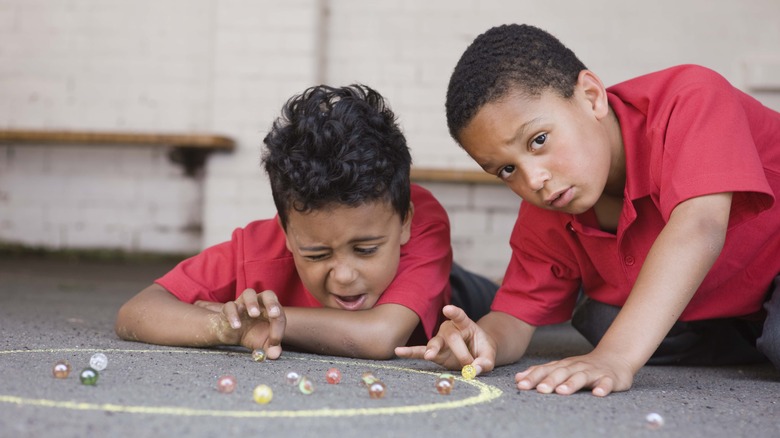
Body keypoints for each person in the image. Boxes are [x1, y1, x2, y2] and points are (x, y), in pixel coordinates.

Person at [395, 24, 780, 396]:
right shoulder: (550, 202)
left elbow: (700, 227)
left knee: (623, 337)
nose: (533, 180)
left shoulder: (691, 98)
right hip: (725, 305)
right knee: (600, 319)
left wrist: (615, 358)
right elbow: (516, 314)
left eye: (539, 140)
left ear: (592, 96)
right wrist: (483, 338)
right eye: (507, 169)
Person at [115, 84, 497, 360]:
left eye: (365, 249)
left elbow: (379, 336)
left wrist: (270, 322)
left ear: (404, 224)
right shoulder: (258, 248)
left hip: (453, 289)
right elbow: (137, 312)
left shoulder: (421, 218)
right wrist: (223, 326)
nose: (344, 275)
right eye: (316, 254)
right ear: (286, 234)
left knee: (504, 305)